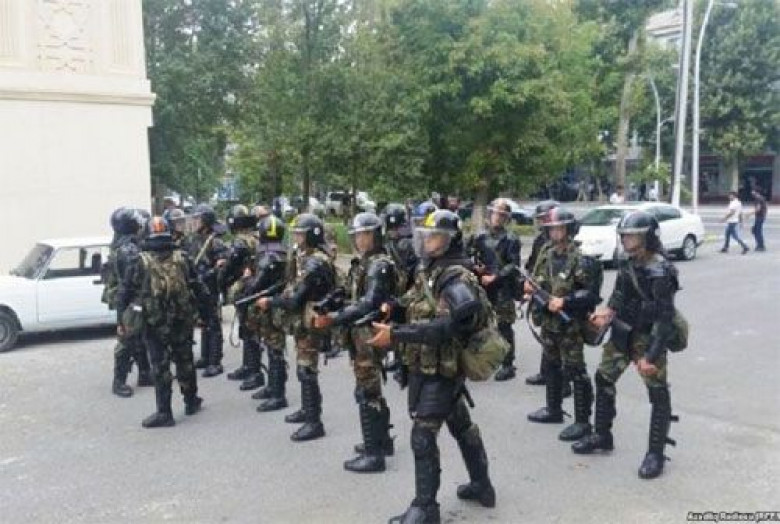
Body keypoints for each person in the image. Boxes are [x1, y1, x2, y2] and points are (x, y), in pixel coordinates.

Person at [369, 210, 496, 524]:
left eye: (434, 236)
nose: (427, 241)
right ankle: (482, 485)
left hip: (443, 368)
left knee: (422, 435)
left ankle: (426, 508)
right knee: (461, 425)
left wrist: (396, 335)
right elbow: (413, 301)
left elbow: (448, 327)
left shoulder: (455, 277)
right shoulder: (431, 270)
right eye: (424, 236)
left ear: (450, 240)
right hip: (429, 365)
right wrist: (393, 308)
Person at [573, 210, 681, 480]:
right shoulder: (626, 261)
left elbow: (665, 318)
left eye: (631, 235)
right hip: (623, 331)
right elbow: (620, 292)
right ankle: (602, 435)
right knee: (603, 377)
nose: (625, 240)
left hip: (649, 336)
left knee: (657, 392)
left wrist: (651, 356)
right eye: (624, 235)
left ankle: (655, 453)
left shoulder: (661, 270)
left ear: (647, 237)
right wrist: (607, 312)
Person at [314, 212, 399, 473]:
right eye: (357, 235)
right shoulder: (365, 262)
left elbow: (369, 302)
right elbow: (351, 291)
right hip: (360, 331)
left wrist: (335, 318)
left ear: (376, 235)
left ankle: (374, 454)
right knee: (369, 387)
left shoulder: (379, 264)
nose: (360, 240)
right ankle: (381, 441)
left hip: (368, 332)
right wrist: (331, 301)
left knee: (367, 390)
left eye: (365, 235)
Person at [117, 217, 209, 428]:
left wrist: (121, 321)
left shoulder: (139, 261)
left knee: (160, 366)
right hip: (181, 319)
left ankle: (164, 412)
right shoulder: (183, 258)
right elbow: (198, 287)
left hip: (153, 322)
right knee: (185, 360)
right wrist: (206, 315)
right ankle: (191, 401)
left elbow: (124, 293)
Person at [255, 213, 337, 442]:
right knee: (303, 367)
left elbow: (295, 300)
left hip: (311, 321)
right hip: (303, 321)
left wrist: (270, 301)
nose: (297, 239)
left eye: (301, 234)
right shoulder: (304, 256)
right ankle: (307, 410)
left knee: (306, 370)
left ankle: (314, 422)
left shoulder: (315, 262)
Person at [525, 207, 602, 442]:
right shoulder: (546, 254)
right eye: (551, 229)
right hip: (549, 322)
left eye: (559, 228)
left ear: (569, 229)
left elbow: (591, 294)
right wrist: (531, 290)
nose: (554, 233)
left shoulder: (581, 258)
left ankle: (582, 422)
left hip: (571, 325)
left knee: (576, 371)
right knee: (551, 365)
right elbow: (537, 280)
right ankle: (553, 409)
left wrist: (566, 301)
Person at [468, 198, 522, 381]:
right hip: (482, 285)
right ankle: (486, 357)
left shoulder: (511, 239)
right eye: (495, 214)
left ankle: (508, 364)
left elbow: (513, 265)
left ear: (506, 218)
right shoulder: (479, 237)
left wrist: (495, 276)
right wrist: (476, 268)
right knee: (481, 324)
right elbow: (469, 255)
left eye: (502, 215)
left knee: (504, 325)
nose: (497, 218)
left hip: (502, 287)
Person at [103, 207, 152, 397]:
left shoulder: (122, 245)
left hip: (130, 299)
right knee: (127, 340)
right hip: (130, 301)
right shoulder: (127, 250)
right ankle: (119, 382)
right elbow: (128, 284)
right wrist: (121, 319)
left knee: (139, 338)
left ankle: (145, 373)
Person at [247, 214, 291, 412]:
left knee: (275, 349)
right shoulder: (284, 252)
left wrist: (247, 282)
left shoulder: (267, 255)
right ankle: (272, 387)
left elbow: (256, 285)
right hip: (274, 306)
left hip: (271, 307)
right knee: (272, 347)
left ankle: (278, 394)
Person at [221, 205, 264, 390]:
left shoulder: (240, 242)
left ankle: (255, 372)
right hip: (255, 286)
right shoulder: (256, 237)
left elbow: (231, 266)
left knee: (250, 329)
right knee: (247, 328)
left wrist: (222, 280)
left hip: (246, 288)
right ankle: (248, 367)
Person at [188, 204, 228, 376]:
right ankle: (205, 357)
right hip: (198, 287)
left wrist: (207, 275)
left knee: (213, 324)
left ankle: (215, 361)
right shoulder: (196, 239)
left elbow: (222, 265)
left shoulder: (215, 241)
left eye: (198, 219)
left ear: (206, 221)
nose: (194, 222)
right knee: (204, 323)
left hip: (210, 287)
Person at [524, 200, 559, 387]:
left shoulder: (560, 241)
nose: (543, 222)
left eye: (545, 218)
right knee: (546, 333)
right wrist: (529, 282)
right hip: (540, 291)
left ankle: (563, 381)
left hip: (557, 294)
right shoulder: (541, 240)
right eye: (541, 219)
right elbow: (533, 263)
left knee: (560, 339)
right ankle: (546, 373)